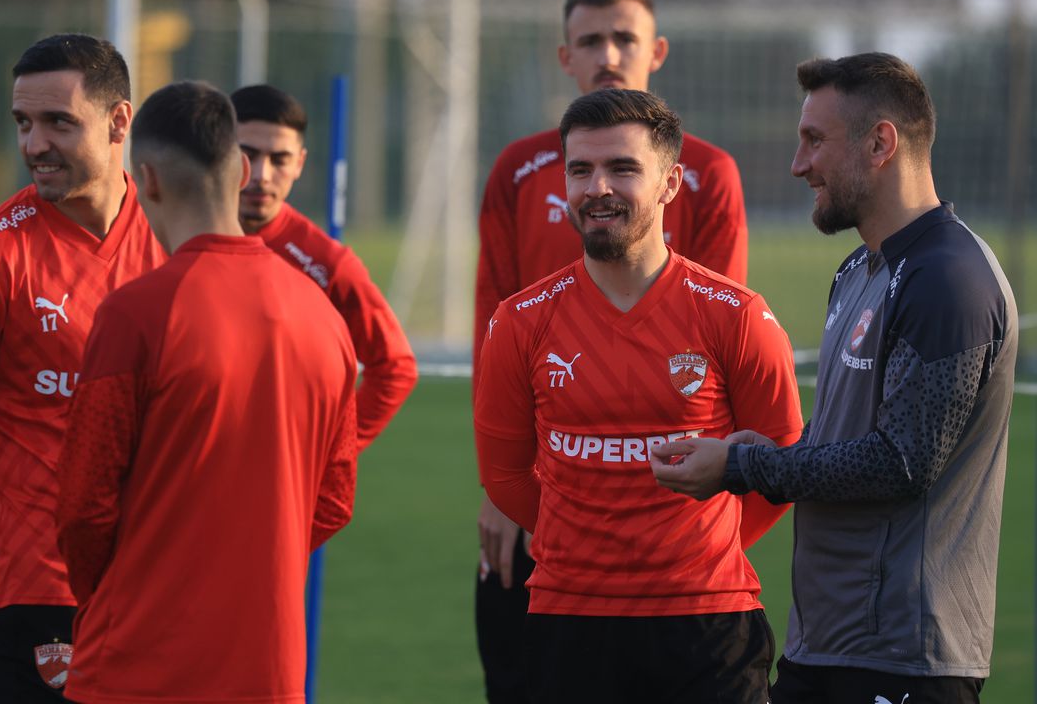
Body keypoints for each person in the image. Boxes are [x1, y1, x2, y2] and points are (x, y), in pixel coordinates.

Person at [651, 52, 1018, 704]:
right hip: (825, 644)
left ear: (880, 144)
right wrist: (770, 452)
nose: (799, 165)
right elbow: (847, 442)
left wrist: (744, 469)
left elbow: (899, 462)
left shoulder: (948, 279)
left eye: (814, 140)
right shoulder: (858, 270)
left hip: (904, 659)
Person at [474, 88, 802, 703]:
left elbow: (781, 461)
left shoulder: (735, 315)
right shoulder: (520, 322)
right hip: (569, 621)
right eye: (580, 170)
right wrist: (586, 544)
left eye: (622, 168)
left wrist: (695, 550)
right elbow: (505, 476)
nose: (597, 188)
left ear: (670, 183)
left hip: (707, 624)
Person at [56, 81, 359, 701]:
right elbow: (333, 500)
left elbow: (85, 507)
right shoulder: (324, 316)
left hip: (139, 665)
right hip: (269, 668)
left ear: (146, 180)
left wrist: (124, 591)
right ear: (242, 170)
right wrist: (255, 561)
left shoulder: (135, 314)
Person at [0, 34, 165, 702]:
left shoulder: (175, 238)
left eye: (58, 122)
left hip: (168, 581)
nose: (34, 144)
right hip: (43, 595)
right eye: (23, 122)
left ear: (119, 122)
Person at [230, 84, 417, 451]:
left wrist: (331, 452)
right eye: (247, 155)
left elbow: (395, 366)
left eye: (280, 159)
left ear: (299, 164)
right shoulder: (174, 236)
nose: (262, 174)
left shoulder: (326, 262)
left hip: (278, 470)